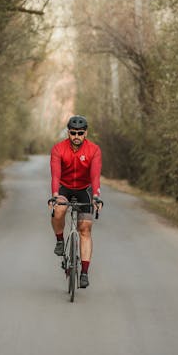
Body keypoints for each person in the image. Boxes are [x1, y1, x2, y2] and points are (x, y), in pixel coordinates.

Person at [49, 115, 102, 289]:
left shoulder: (93, 150)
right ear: (68, 132)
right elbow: (55, 174)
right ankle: (59, 240)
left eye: (80, 132)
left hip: (84, 189)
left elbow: (95, 175)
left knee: (85, 228)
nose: (77, 136)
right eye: (73, 133)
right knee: (59, 210)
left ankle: (84, 273)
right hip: (64, 187)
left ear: (85, 133)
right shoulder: (58, 149)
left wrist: (96, 196)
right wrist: (55, 194)